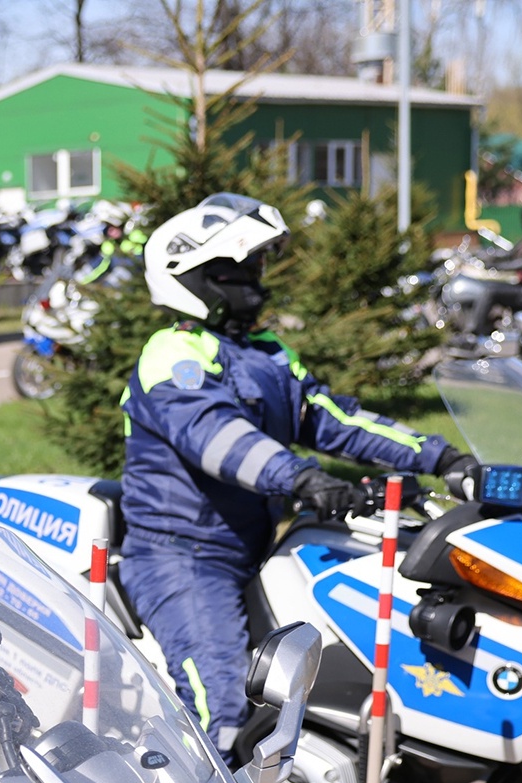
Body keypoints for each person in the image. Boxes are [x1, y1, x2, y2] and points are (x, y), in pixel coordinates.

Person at [122, 193, 479, 752]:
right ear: (195, 278)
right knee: (223, 704)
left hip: (257, 546)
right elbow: (217, 438)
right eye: (240, 269)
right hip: (183, 557)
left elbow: (335, 419)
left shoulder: (267, 353)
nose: (255, 281)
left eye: (256, 266)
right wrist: (304, 479)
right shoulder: (173, 353)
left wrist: (440, 457)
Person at [458, 201, 522, 343]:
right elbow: (510, 254)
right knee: (485, 285)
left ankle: (472, 335)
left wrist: (498, 267)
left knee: (490, 291)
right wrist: (483, 255)